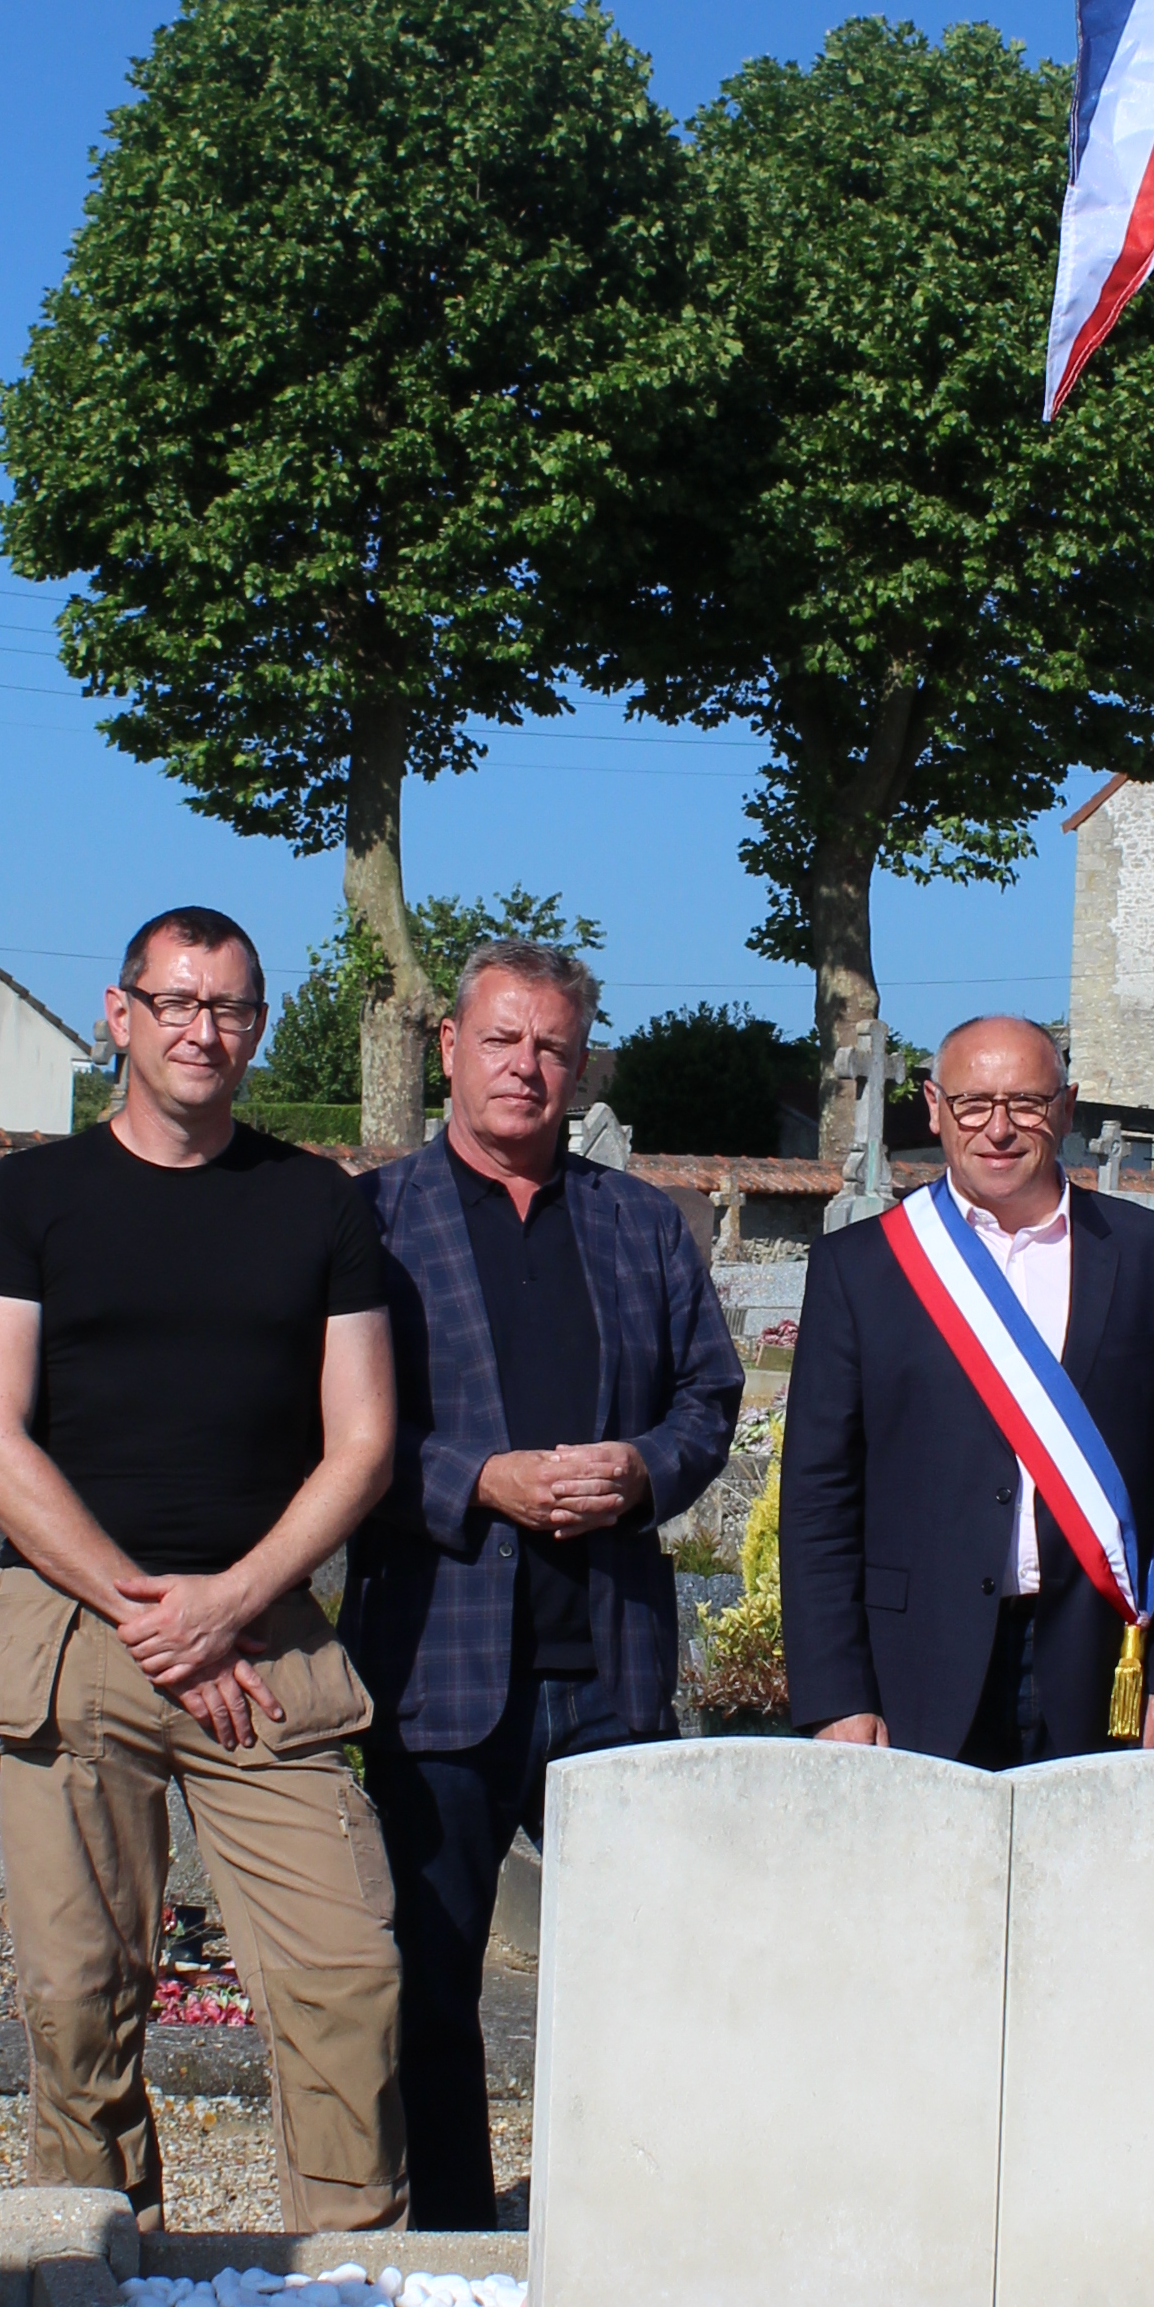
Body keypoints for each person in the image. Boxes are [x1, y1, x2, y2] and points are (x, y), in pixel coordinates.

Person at [0, 906, 407, 2235]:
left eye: (234, 1009)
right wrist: (149, 1612)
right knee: (80, 1995)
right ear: (121, 1013)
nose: (207, 1033)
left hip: (263, 1634)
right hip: (77, 1630)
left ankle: (350, 2275)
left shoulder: (316, 1204)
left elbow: (362, 1441)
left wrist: (229, 1601)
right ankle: (103, 2299)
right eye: (182, 1003)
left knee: (344, 1977)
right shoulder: (29, 1200)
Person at [348, 935, 741, 2225]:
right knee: (437, 1966)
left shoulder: (639, 1224)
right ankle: (457, 2233)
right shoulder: (372, 1223)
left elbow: (710, 1396)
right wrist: (478, 1482)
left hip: (609, 1658)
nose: (527, 1067)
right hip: (442, 1654)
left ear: (582, 1065)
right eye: (503, 1040)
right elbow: (330, 1432)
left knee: (635, 1965)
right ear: (449, 1050)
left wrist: (642, 1469)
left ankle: (615, 2213)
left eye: (553, 1047)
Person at [776, 1013, 1154, 1764]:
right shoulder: (859, 1269)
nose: (998, 1129)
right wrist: (835, 1693)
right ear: (934, 1107)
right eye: (973, 1104)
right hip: (911, 1664)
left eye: (1025, 1102)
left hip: (1100, 1657)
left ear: (1066, 1106)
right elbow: (818, 1495)